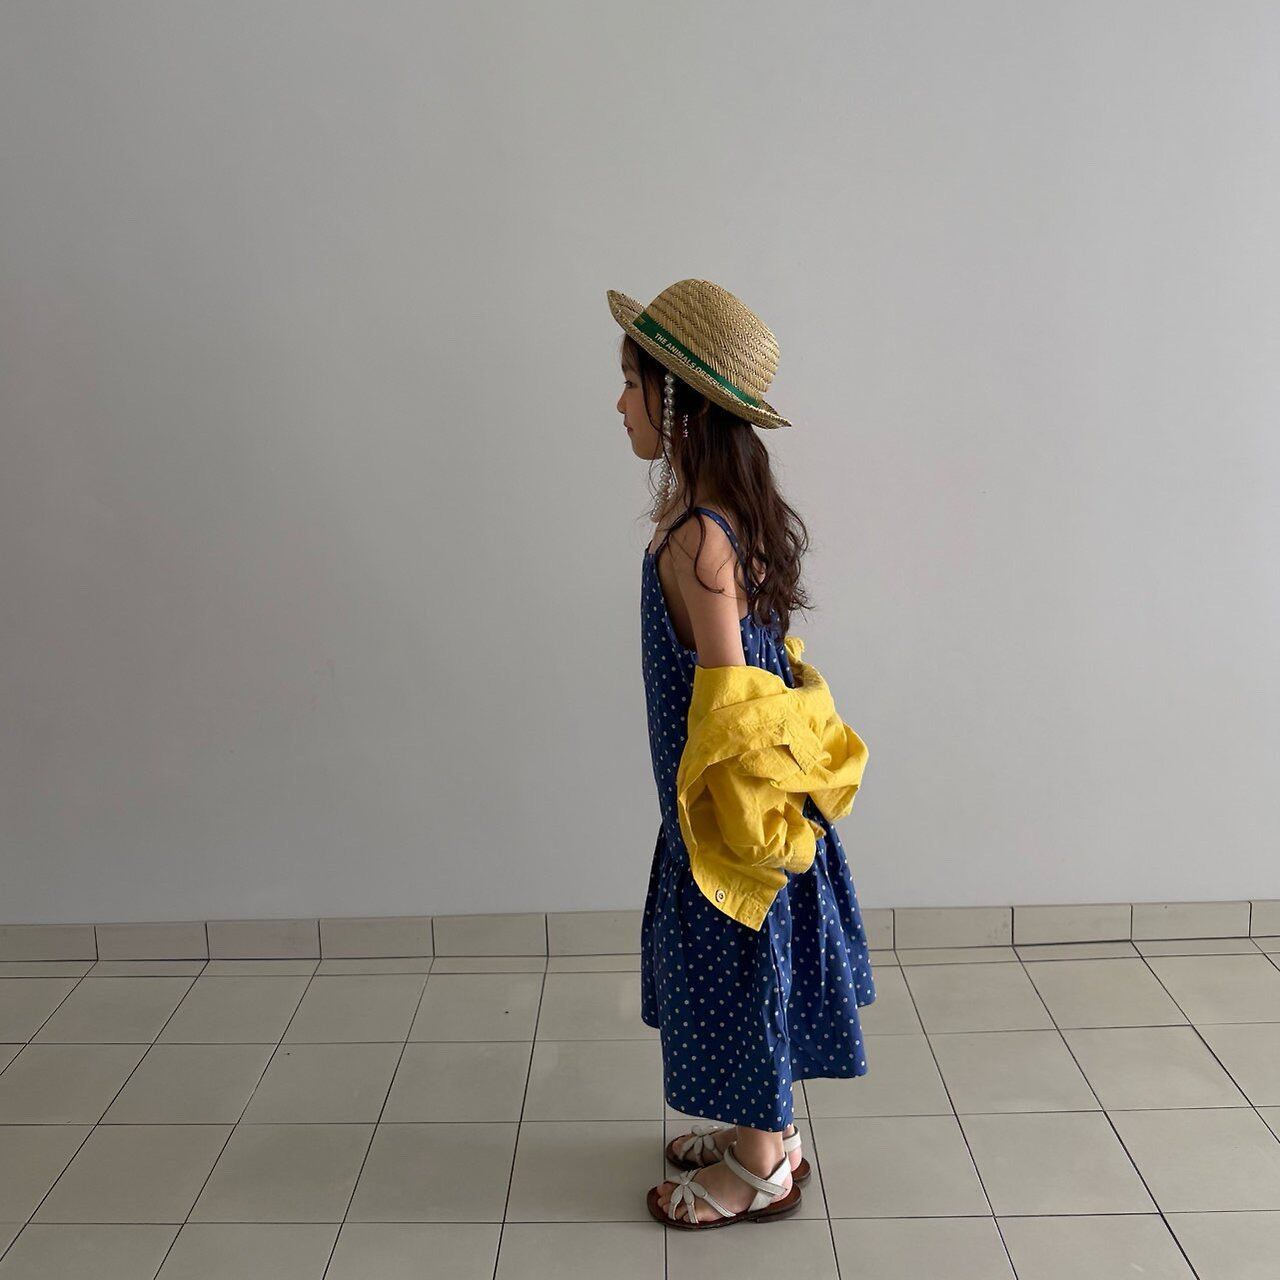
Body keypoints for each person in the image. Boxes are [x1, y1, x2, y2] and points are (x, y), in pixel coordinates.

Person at [607, 279, 877, 1229]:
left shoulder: (698, 541)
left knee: (737, 960)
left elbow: (732, 711)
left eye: (632, 383)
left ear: (678, 401)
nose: (620, 403)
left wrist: (735, 842)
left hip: (732, 816)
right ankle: (763, 1130)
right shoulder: (727, 516)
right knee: (738, 967)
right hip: (745, 803)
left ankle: (761, 1164)